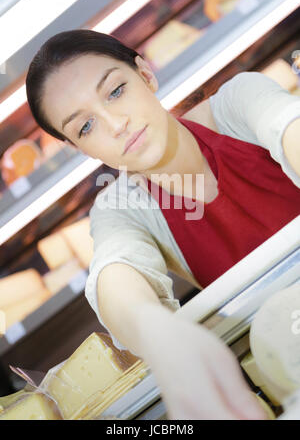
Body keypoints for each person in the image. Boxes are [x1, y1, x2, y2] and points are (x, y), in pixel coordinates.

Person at [25, 29, 300, 420]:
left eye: (116, 91)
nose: (115, 124)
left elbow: (289, 126)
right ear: (78, 149)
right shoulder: (122, 208)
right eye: (85, 127)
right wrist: (161, 336)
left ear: (145, 75)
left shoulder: (239, 102)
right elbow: (117, 273)